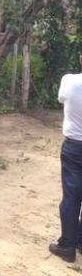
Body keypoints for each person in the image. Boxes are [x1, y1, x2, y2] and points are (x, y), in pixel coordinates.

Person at [49, 54, 82, 263]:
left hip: (74, 146)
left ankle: (67, 245)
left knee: (71, 197)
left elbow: (61, 99)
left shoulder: (69, 81)